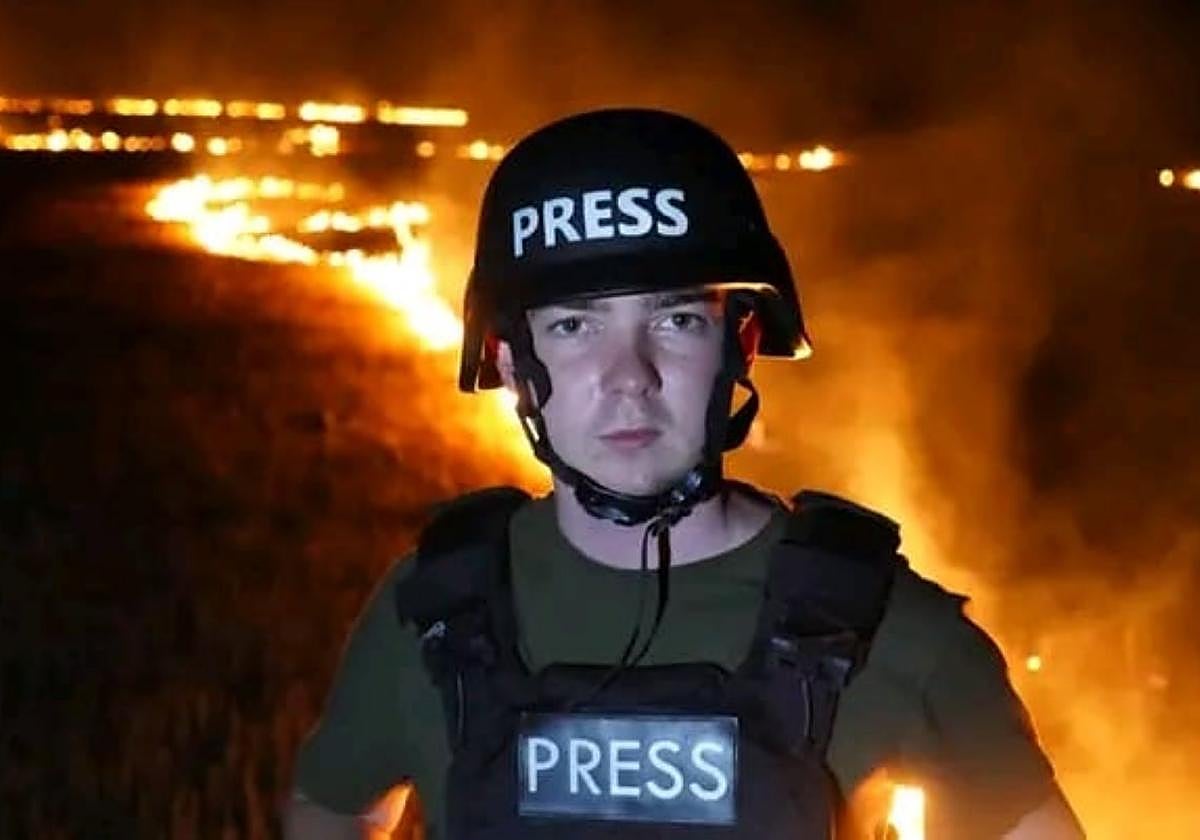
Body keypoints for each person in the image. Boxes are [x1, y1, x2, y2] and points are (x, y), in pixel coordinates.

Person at [284, 109, 1085, 840]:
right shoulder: (431, 613)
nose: (629, 376)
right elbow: (330, 810)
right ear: (511, 363)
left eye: (676, 320)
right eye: (574, 326)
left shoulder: (897, 635)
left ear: (741, 343)